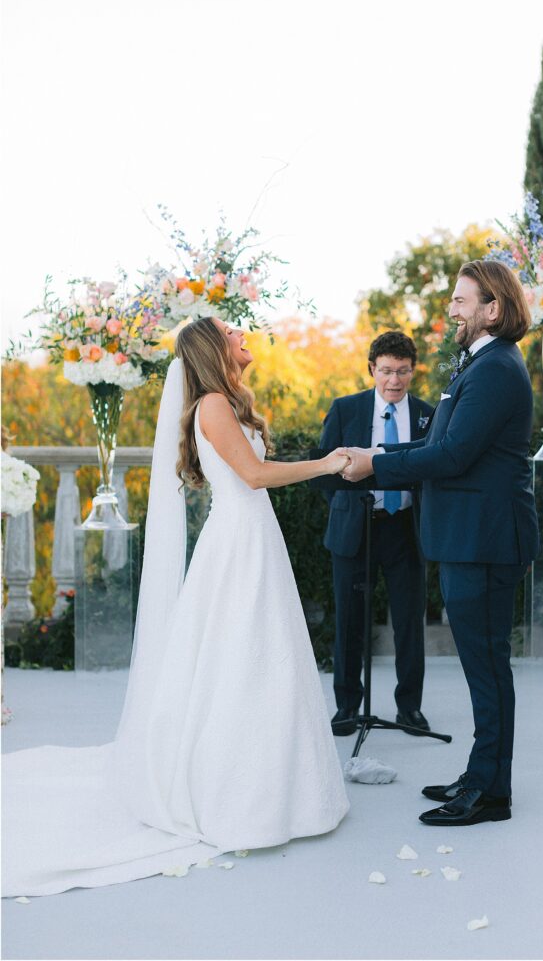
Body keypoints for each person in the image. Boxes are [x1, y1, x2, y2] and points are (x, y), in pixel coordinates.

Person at [2, 316, 350, 897]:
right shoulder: (212, 404)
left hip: (254, 538)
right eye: (234, 333)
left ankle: (282, 787)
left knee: (267, 657)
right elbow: (255, 474)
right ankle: (233, 793)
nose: (245, 337)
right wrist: (328, 463)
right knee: (240, 659)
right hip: (238, 542)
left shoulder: (231, 401)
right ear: (215, 350)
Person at [342, 260, 539, 826]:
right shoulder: (479, 366)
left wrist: (374, 461)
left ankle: (491, 793)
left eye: (460, 299)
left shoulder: (497, 368)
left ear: (491, 309)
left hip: (484, 542)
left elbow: (451, 457)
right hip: (467, 540)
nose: (451, 309)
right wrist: (377, 459)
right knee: (482, 666)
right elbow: (440, 445)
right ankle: (481, 776)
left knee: (486, 667)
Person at [319, 331, 434, 737]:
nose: (394, 381)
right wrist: (350, 505)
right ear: (372, 370)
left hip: (405, 529)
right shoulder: (345, 409)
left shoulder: (427, 414)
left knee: (409, 622)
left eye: (402, 372)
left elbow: (433, 471)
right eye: (386, 371)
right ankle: (347, 707)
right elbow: (324, 471)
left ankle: (410, 709)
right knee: (349, 622)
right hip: (355, 528)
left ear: (412, 371)